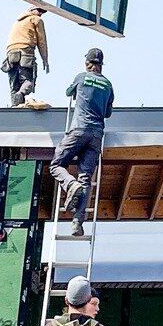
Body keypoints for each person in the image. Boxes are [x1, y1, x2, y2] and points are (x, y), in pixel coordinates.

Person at [52, 48, 114, 236]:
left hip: (78, 129)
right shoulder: (108, 85)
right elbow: (108, 113)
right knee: (85, 177)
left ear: (88, 63)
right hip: (96, 134)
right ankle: (77, 223)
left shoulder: (81, 77)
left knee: (56, 165)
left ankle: (70, 184)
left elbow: (68, 92)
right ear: (101, 65)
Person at [3, 5, 51, 107]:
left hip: (11, 53)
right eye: (39, 10)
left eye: (42, 12)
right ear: (31, 10)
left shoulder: (17, 22)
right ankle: (20, 95)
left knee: (14, 84)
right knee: (28, 81)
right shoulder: (36, 20)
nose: (40, 14)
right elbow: (41, 41)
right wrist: (45, 59)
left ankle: (14, 108)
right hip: (26, 51)